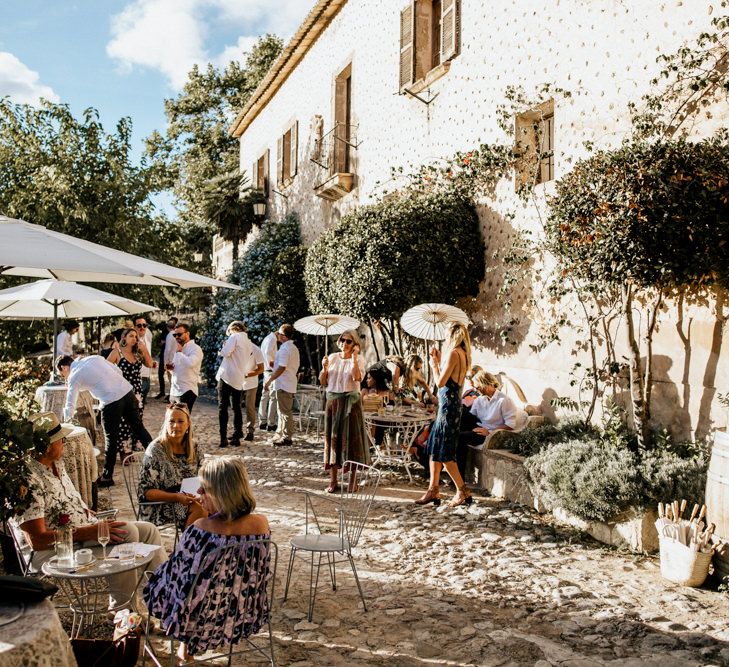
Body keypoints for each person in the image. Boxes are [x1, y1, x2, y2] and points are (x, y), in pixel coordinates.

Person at [13, 412, 165, 607]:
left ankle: (168, 598)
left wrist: (86, 514)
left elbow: (69, 502)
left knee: (149, 530)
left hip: (83, 533)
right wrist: (90, 531)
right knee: (127, 533)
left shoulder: (56, 465)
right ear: (48, 446)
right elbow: (37, 540)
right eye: (61, 440)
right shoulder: (28, 480)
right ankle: (123, 610)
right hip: (56, 550)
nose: (65, 443)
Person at [143, 456, 271, 662]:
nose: (198, 493)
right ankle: (187, 646)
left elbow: (180, 576)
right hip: (242, 609)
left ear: (222, 492)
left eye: (204, 489)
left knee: (163, 581)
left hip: (203, 614)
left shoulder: (200, 529)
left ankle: (186, 645)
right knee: (201, 589)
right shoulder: (261, 525)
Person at [59, 354, 152, 486]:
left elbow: (70, 404)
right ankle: (158, 459)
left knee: (110, 439)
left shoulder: (74, 376)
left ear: (64, 367)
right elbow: (118, 371)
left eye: (62, 375)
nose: (64, 377)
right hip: (126, 392)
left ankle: (107, 477)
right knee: (139, 428)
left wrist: (65, 425)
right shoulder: (94, 358)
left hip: (110, 401)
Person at [414, 322, 474, 508]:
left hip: (448, 408)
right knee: (434, 448)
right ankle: (433, 490)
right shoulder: (462, 354)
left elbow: (440, 383)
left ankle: (462, 491)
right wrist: (439, 362)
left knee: (445, 453)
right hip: (450, 406)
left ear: (452, 335)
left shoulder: (455, 353)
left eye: (447, 335)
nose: (445, 338)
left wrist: (434, 365)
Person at [138, 403, 206, 529]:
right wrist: (176, 497)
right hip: (160, 505)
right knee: (200, 511)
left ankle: (210, 547)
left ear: (188, 424)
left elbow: (205, 478)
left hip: (189, 499)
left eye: (180, 421)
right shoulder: (156, 450)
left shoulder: (195, 447)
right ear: (166, 424)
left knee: (219, 507)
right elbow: (146, 492)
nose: (176, 425)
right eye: (171, 421)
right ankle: (186, 547)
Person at [320, 329, 369, 493]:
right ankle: (333, 480)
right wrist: (324, 368)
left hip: (351, 403)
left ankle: (352, 481)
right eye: (342, 340)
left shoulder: (359, 359)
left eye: (349, 341)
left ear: (355, 344)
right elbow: (323, 382)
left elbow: (357, 378)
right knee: (333, 440)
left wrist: (354, 358)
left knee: (352, 441)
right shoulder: (332, 358)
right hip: (333, 402)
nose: (344, 344)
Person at [456, 370, 518, 480]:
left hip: (489, 433)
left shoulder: (504, 400)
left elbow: (510, 425)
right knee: (460, 412)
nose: (476, 390)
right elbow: (470, 417)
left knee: (460, 437)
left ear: (487, 384)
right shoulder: (480, 399)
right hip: (479, 426)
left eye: (478, 387)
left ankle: (459, 478)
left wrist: (489, 432)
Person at [106, 327, 154, 460]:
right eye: (131, 336)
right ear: (124, 338)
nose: (134, 339)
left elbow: (149, 364)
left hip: (137, 392)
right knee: (123, 422)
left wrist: (144, 350)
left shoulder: (138, 353)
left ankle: (133, 448)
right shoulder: (117, 353)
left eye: (136, 336)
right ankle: (124, 450)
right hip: (122, 392)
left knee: (136, 421)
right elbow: (104, 369)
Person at [215, 321, 252, 448]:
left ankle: (223, 438)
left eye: (229, 332)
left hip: (227, 376)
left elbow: (225, 353)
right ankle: (236, 436)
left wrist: (222, 348)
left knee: (222, 407)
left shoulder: (234, 337)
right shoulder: (248, 342)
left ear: (233, 329)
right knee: (236, 407)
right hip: (238, 378)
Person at [263, 324, 300, 447]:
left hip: (284, 383)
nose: (277, 335)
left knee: (285, 412)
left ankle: (287, 437)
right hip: (288, 382)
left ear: (284, 336)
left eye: (279, 333)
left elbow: (283, 368)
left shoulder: (285, 349)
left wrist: (269, 380)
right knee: (282, 411)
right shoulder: (293, 348)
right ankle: (281, 433)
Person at [167, 323, 203, 413]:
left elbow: (191, 363)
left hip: (187, 390)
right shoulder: (179, 348)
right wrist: (171, 369)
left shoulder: (196, 349)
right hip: (174, 390)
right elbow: (176, 370)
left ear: (187, 334)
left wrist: (179, 353)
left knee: (182, 421)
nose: (177, 337)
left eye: (179, 334)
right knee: (172, 420)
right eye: (175, 335)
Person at [242, 341, 265, 441]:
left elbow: (261, 369)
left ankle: (250, 431)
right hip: (236, 382)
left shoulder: (256, 350)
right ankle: (237, 431)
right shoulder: (236, 347)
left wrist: (246, 375)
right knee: (235, 407)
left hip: (251, 383)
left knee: (249, 407)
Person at [258, 330, 278, 431]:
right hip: (270, 370)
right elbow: (268, 352)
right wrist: (274, 361)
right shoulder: (273, 339)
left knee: (264, 395)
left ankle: (262, 421)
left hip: (266, 370)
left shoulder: (266, 338)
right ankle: (271, 423)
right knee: (273, 397)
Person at [134, 316, 155, 405]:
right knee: (136, 407)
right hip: (138, 378)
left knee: (142, 406)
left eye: (144, 325)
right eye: (139, 325)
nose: (142, 327)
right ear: (135, 327)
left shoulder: (148, 337)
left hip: (147, 377)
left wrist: (152, 362)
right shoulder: (133, 342)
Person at [156, 316, 178, 400]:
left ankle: (172, 397)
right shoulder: (177, 334)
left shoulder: (170, 335)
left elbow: (167, 350)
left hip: (169, 360)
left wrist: (166, 363)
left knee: (171, 378)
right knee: (173, 378)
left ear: (167, 327)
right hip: (175, 359)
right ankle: (171, 396)